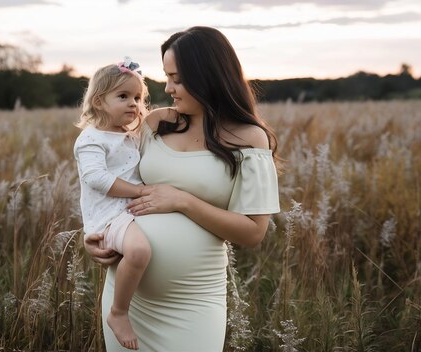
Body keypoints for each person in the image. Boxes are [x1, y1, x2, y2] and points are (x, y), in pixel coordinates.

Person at [84, 26, 280, 351]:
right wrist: (95, 235)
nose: (167, 87)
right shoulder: (155, 123)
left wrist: (182, 201)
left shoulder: (249, 138)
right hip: (129, 304)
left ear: (207, 76)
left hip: (194, 302)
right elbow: (107, 182)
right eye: (166, 76)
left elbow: (252, 233)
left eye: (176, 78)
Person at [73, 57, 152, 350]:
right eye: (123, 96)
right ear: (98, 101)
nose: (134, 104)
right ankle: (118, 312)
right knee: (140, 250)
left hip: (125, 212)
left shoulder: (130, 135)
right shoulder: (91, 139)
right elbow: (96, 178)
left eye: (137, 98)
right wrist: (139, 192)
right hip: (109, 216)